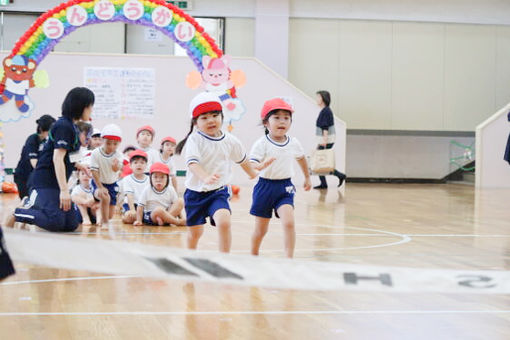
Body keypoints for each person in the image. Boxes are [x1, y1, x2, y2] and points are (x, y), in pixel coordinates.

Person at [176, 92, 273, 253]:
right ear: (196, 122)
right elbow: (193, 164)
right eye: (204, 117)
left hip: (218, 192)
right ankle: (190, 255)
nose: (211, 120)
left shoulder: (231, 141)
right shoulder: (195, 140)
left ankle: (225, 260)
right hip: (195, 194)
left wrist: (256, 171)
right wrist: (205, 177)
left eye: (215, 115)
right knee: (195, 233)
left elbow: (243, 161)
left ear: (222, 116)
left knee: (224, 222)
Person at [6, 87, 94, 232]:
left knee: (70, 223)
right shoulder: (63, 126)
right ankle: (19, 212)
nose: (91, 111)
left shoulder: (71, 127)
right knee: (55, 221)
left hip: (56, 184)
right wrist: (65, 191)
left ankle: (37, 205)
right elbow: (57, 158)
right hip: (44, 183)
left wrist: (80, 165)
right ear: (81, 106)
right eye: (90, 107)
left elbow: (68, 157)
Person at [249, 98, 311, 258]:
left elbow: (301, 158)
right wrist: (260, 166)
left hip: (285, 187)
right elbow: (252, 162)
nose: (282, 121)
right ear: (266, 122)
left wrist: (307, 177)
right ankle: (253, 254)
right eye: (276, 117)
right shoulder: (262, 143)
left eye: (286, 117)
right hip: (264, 188)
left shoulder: (294, 143)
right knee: (261, 229)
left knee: (289, 223)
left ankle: (288, 258)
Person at [14, 114, 56, 199]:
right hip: (23, 175)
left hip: (35, 176)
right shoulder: (32, 139)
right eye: (49, 131)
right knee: (26, 201)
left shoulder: (49, 141)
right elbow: (34, 163)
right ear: (41, 129)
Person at [90, 123, 123, 228]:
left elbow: (116, 170)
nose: (111, 147)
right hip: (98, 183)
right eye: (108, 143)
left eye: (115, 144)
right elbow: (94, 171)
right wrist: (100, 187)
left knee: (110, 215)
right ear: (103, 141)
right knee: (105, 197)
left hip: (112, 184)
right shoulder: (95, 153)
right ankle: (104, 222)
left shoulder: (118, 155)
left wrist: (115, 166)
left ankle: (99, 215)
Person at [134, 162, 185, 226]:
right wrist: (139, 220)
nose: (158, 180)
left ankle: (164, 221)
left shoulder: (171, 189)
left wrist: (182, 218)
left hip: (167, 213)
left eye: (162, 177)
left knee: (180, 201)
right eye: (155, 177)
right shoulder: (147, 189)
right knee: (159, 210)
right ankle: (177, 222)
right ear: (150, 178)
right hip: (152, 215)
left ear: (167, 179)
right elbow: (140, 207)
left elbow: (177, 207)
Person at [314, 90, 346, 189]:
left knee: (320, 161)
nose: (317, 99)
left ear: (323, 99)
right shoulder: (325, 110)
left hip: (326, 140)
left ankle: (339, 176)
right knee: (321, 161)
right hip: (325, 140)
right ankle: (325, 183)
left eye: (318, 97)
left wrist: (324, 141)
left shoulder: (326, 111)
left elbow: (325, 127)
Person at [121, 149, 149, 224]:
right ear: (130, 165)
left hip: (144, 206)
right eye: (135, 162)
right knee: (128, 217)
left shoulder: (149, 179)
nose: (139, 165)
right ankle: (139, 218)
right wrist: (132, 210)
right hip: (132, 205)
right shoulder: (127, 179)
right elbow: (129, 195)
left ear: (146, 165)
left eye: (142, 163)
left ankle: (142, 218)